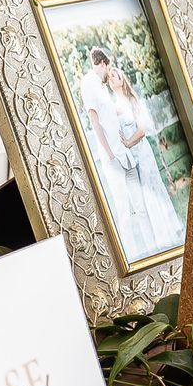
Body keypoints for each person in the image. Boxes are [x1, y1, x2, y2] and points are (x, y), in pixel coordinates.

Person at [76, 47, 152, 260]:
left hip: (125, 156)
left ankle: (151, 248)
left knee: (141, 208)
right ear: (103, 63)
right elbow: (94, 120)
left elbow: (113, 116)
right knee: (124, 211)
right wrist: (109, 154)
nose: (109, 72)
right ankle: (133, 256)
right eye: (108, 67)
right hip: (112, 159)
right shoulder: (88, 83)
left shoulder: (102, 89)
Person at [107, 66, 184, 254]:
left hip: (143, 152)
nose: (110, 79)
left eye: (114, 76)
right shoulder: (113, 107)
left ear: (121, 80)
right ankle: (157, 237)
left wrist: (127, 142)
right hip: (131, 158)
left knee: (152, 190)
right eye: (109, 77)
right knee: (142, 196)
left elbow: (141, 130)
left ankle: (166, 234)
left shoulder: (132, 101)